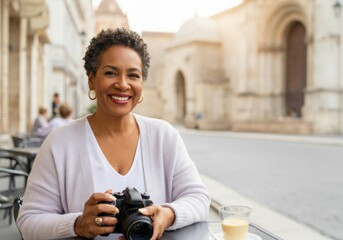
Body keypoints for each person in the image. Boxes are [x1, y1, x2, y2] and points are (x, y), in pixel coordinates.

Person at [17, 28, 210, 240]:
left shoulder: (164, 136)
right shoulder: (60, 142)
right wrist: (78, 224)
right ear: (91, 79)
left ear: (142, 84)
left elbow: (199, 198)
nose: (123, 84)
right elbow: (29, 221)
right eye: (110, 72)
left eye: (133, 75)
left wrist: (169, 214)